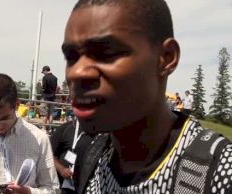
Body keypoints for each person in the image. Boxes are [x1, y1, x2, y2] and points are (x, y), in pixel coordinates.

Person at [61, 0, 232, 193]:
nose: (76, 73)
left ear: (166, 57)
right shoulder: (91, 155)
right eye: (71, 57)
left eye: (106, 53)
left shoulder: (220, 172)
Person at [50, 120, 94, 194]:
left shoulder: (101, 132)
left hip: (89, 183)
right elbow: (48, 154)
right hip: (66, 183)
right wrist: (62, 169)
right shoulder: (66, 128)